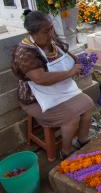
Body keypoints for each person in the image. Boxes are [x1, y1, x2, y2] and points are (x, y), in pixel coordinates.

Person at [11, 10, 94, 159]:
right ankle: (66, 151)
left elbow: (68, 57)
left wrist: (80, 63)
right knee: (72, 117)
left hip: (58, 89)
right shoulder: (24, 52)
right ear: (33, 33)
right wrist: (70, 73)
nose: (51, 33)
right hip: (35, 98)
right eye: (46, 30)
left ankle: (82, 141)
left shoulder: (52, 42)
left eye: (51, 28)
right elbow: (40, 79)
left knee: (88, 104)